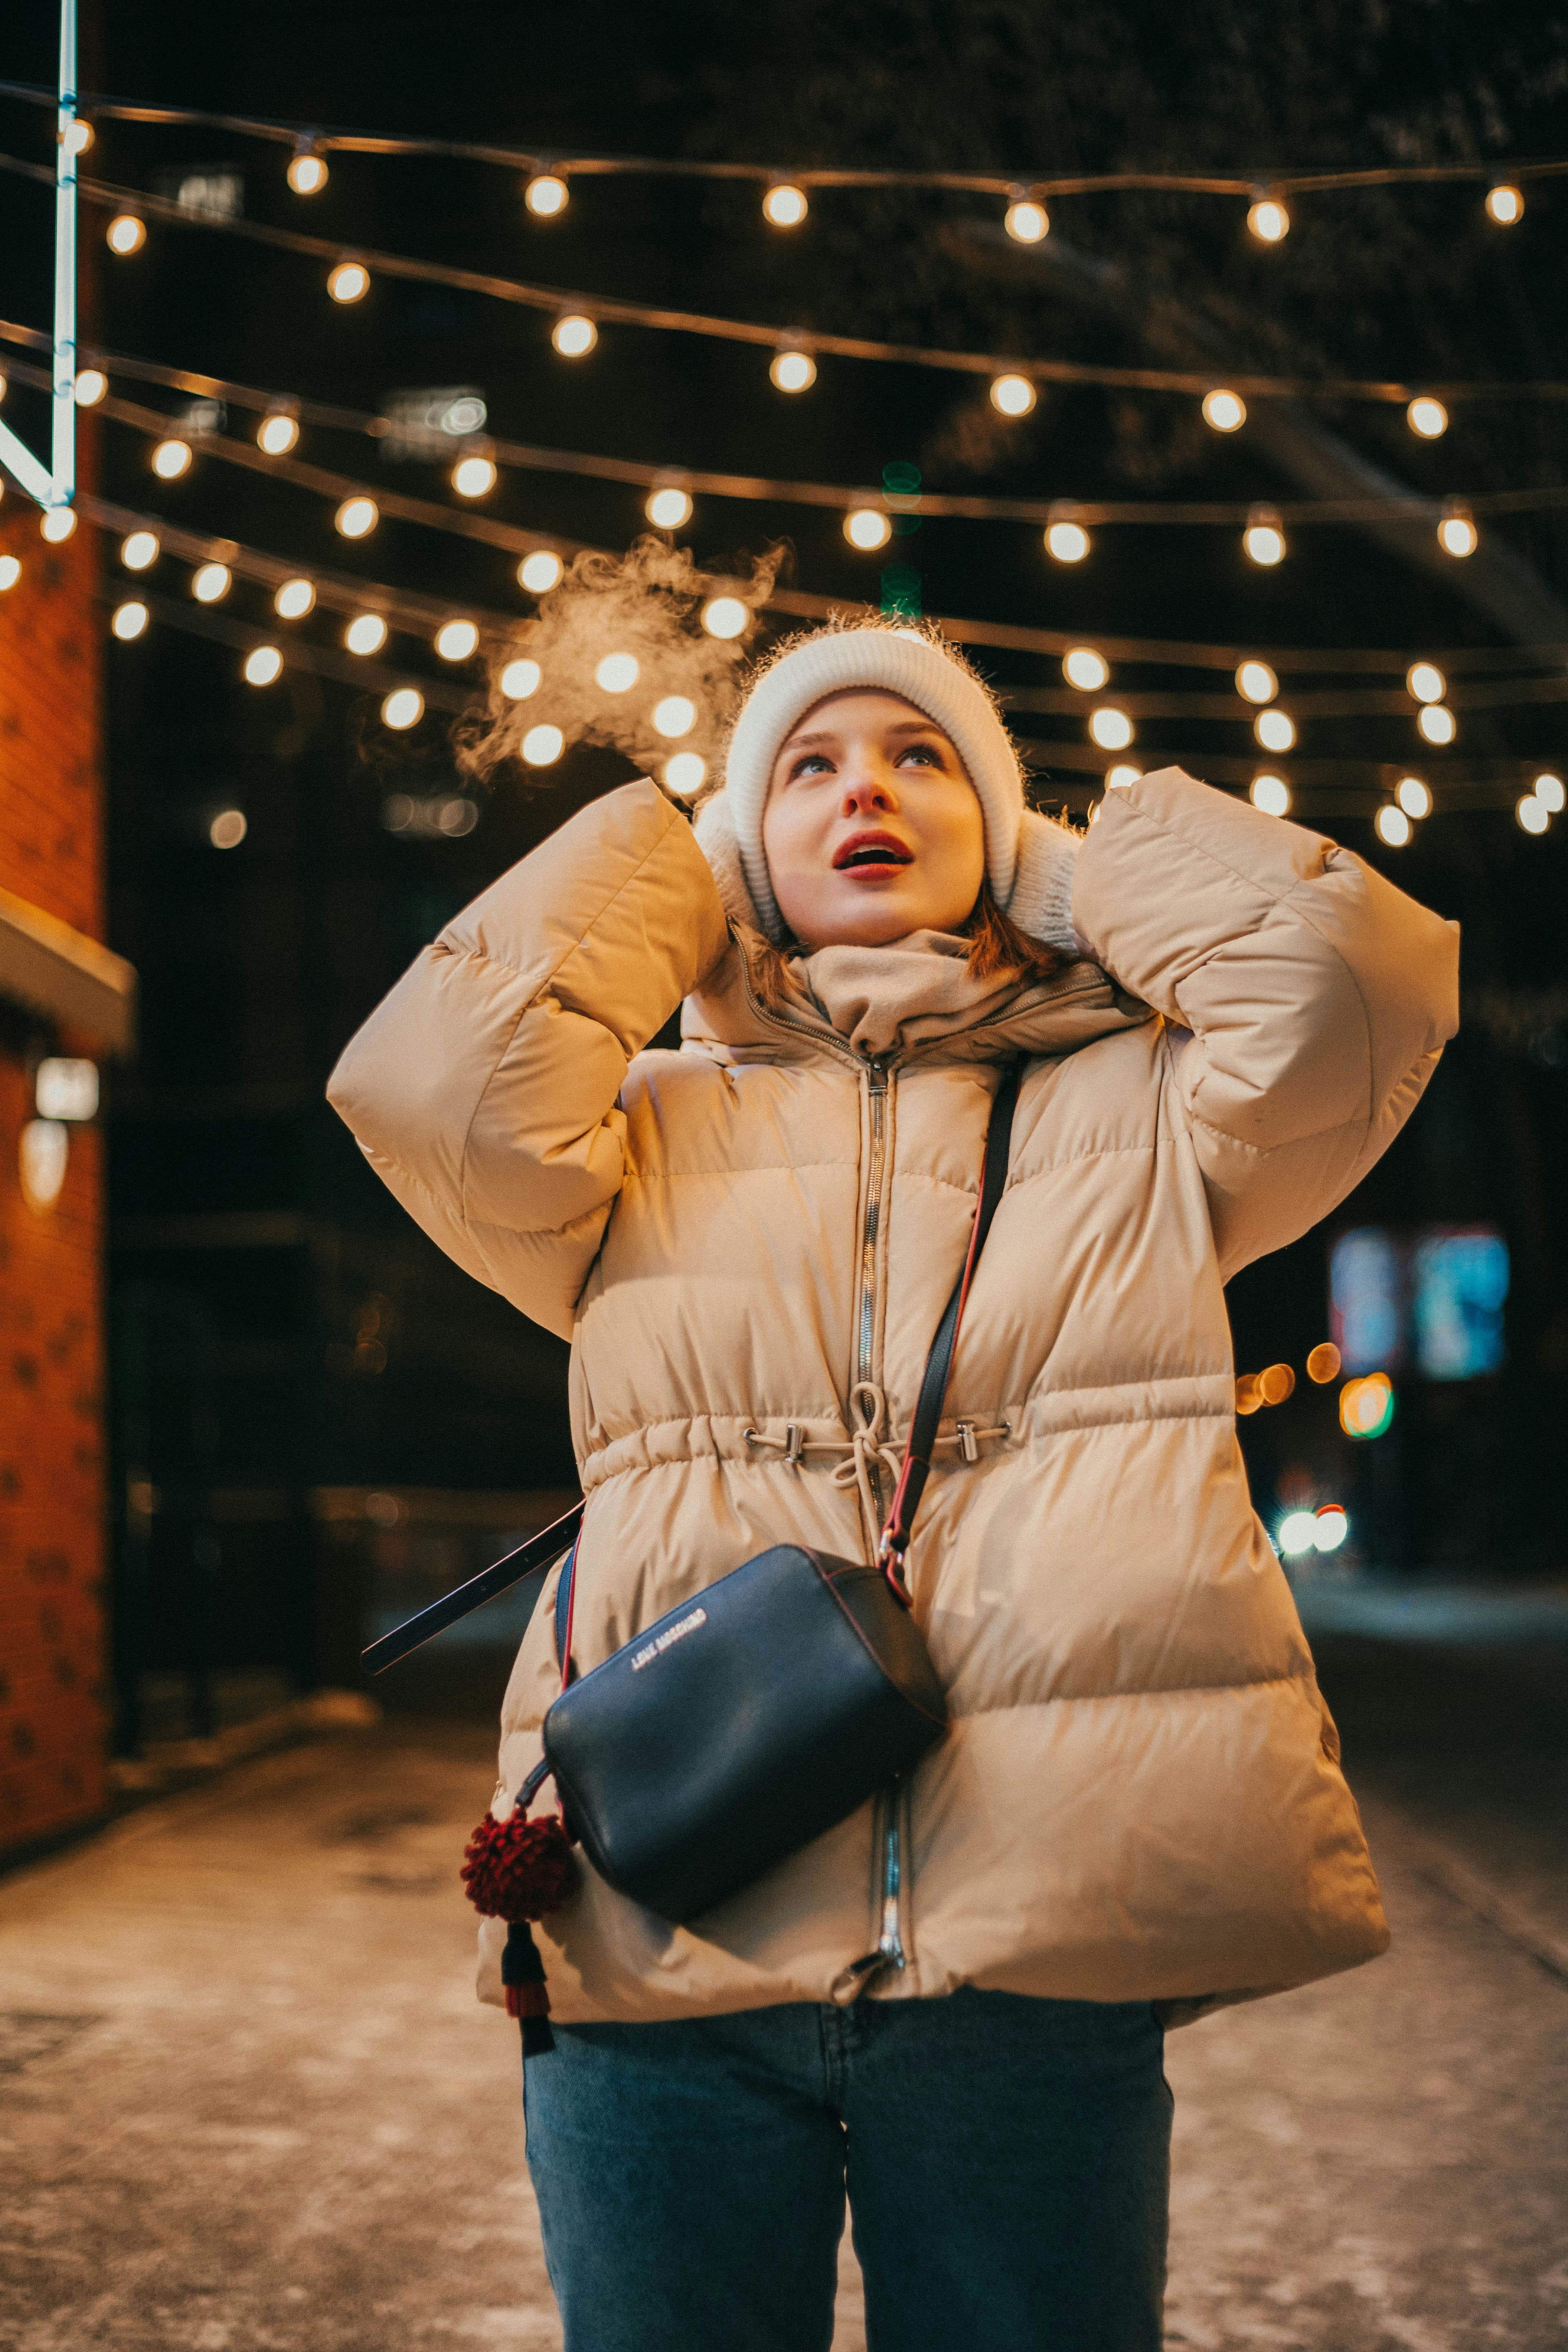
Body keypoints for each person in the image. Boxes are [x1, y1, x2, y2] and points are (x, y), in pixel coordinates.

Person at [327, 616, 1459, 2351]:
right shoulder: (632, 1122)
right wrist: (672, 875)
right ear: (744, 857)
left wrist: (1068, 878)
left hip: (1031, 1960)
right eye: (810, 768)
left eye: (924, 758)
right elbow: (429, 1090)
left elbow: (1352, 988)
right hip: (668, 1935)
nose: (870, 785)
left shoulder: (1149, 1110)